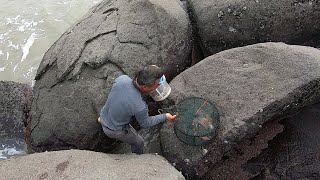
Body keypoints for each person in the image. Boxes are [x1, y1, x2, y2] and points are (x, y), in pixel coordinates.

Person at [99, 65, 177, 154]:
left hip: (104, 114)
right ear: (144, 87)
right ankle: (137, 158)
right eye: (157, 85)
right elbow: (145, 123)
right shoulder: (140, 107)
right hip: (113, 130)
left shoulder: (122, 79)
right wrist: (165, 116)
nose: (157, 87)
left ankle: (101, 120)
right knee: (139, 142)